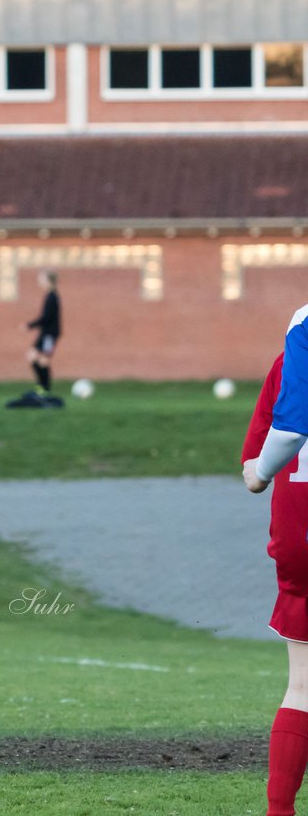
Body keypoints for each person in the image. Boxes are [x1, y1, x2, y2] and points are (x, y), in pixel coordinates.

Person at [244, 309, 308, 815]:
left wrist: (258, 472)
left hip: (299, 524)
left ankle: (279, 811)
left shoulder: (294, 346)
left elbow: (258, 461)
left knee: (302, 684)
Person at [23, 270, 61, 397]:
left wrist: (29, 325)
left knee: (43, 360)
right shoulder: (50, 295)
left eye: (41, 279)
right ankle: (41, 388)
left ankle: (44, 390)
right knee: (33, 357)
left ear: (48, 280)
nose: (39, 281)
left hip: (49, 334)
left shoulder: (53, 297)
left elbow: (46, 318)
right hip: (45, 333)